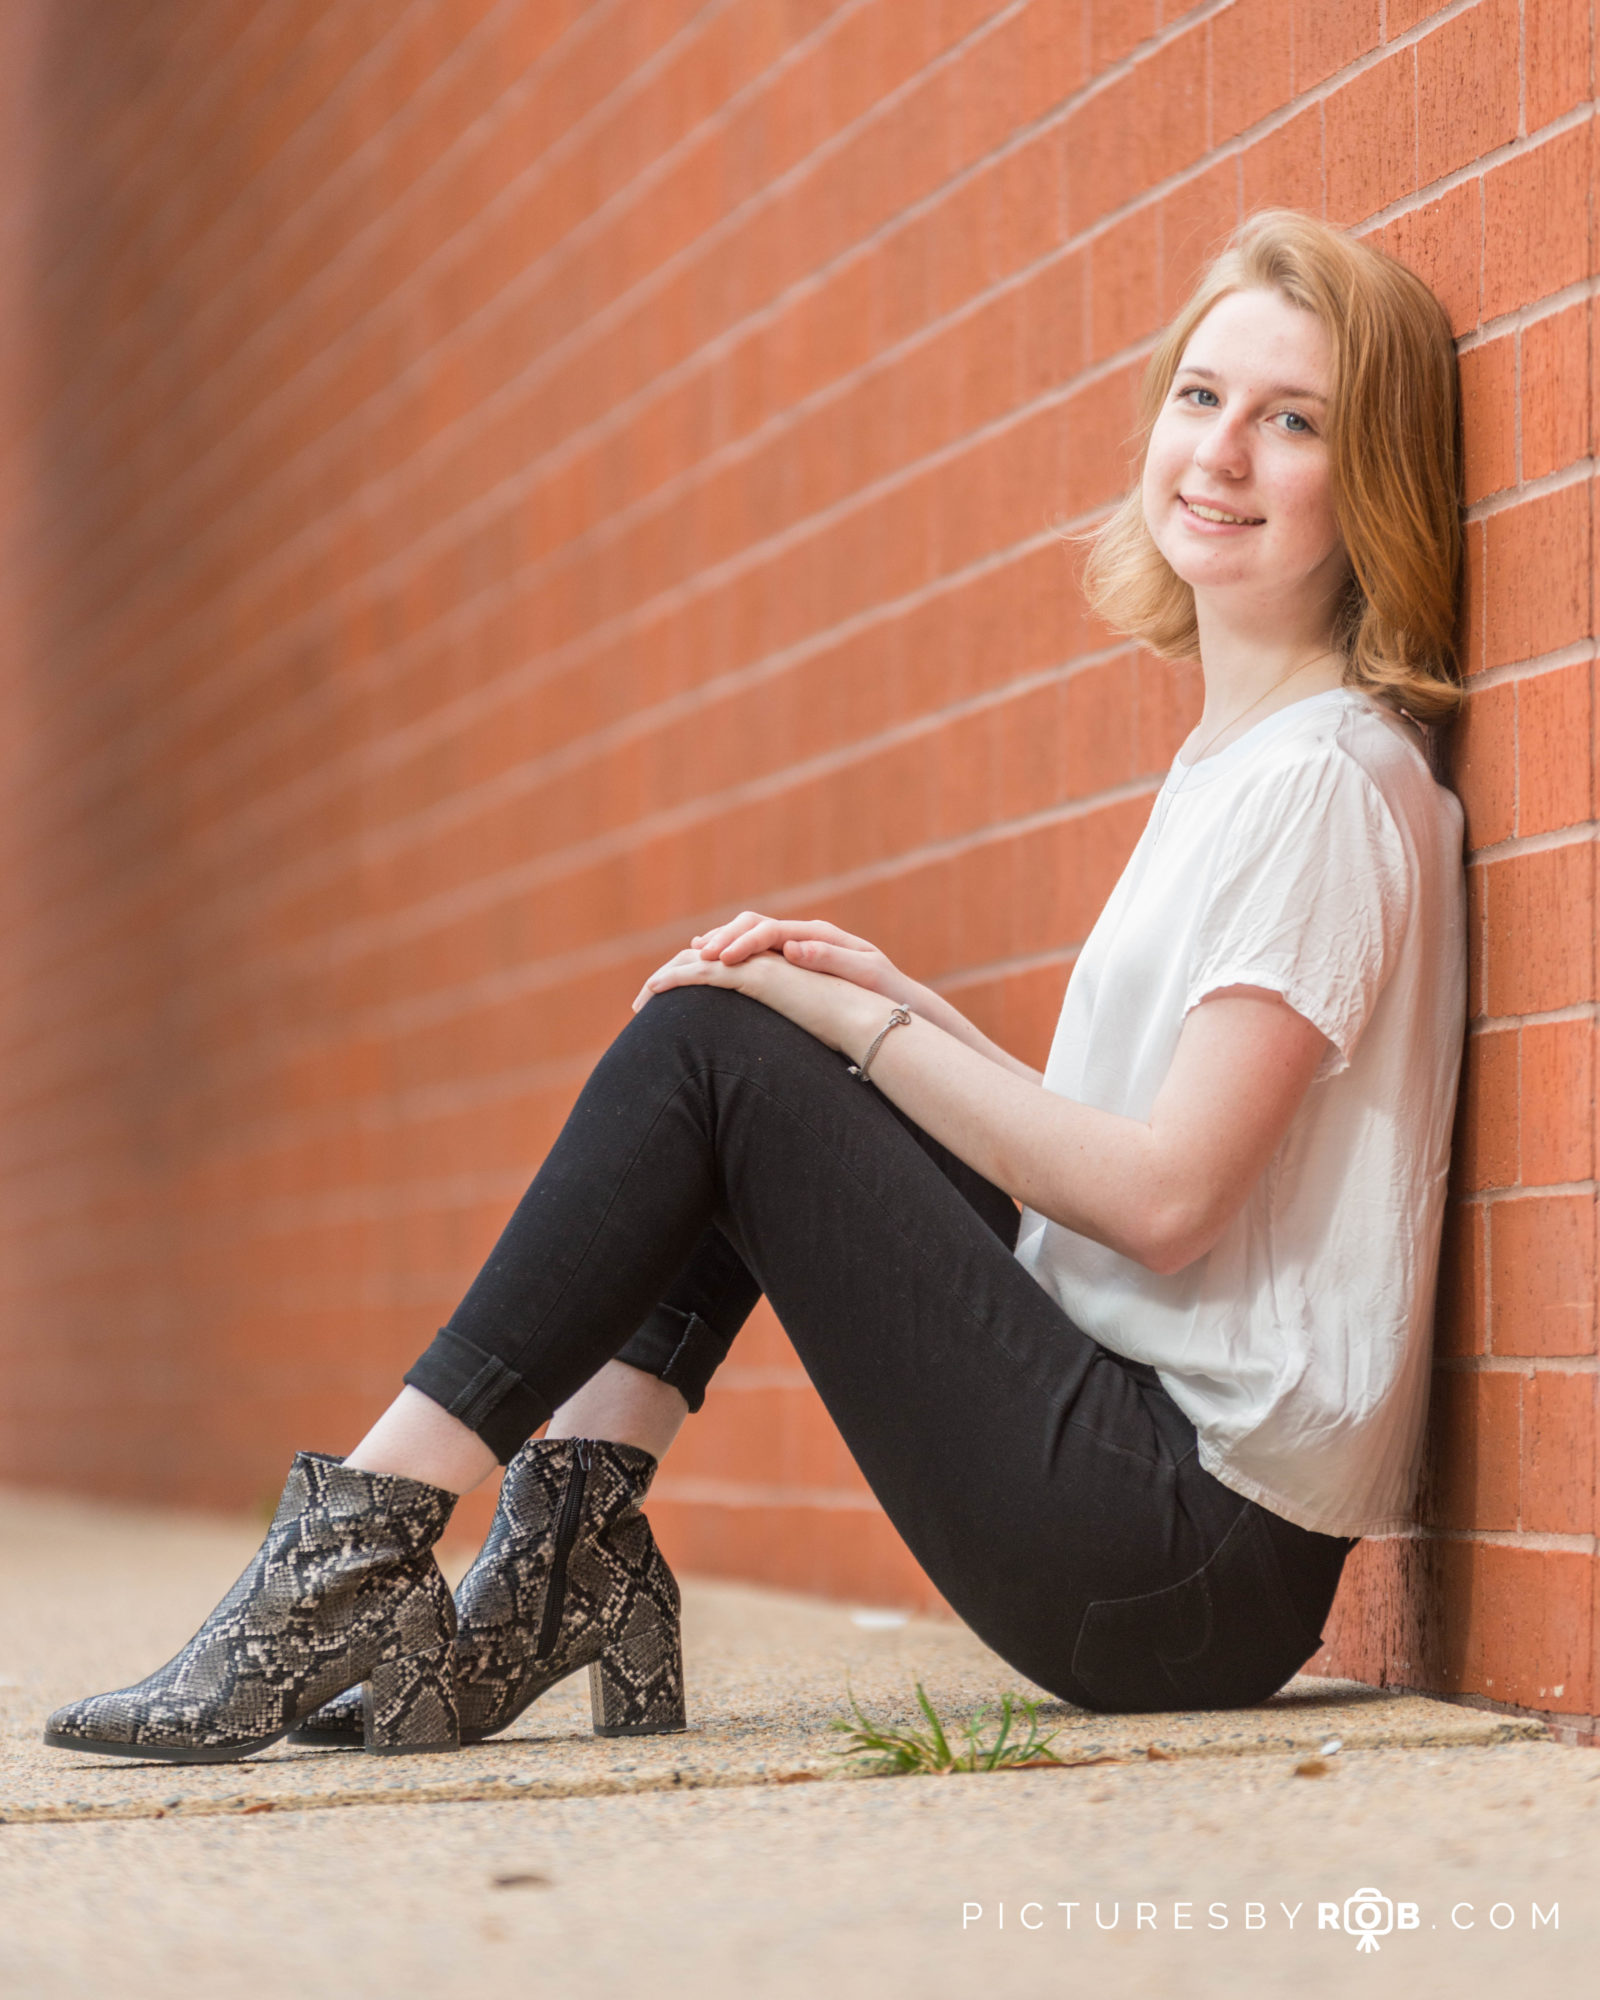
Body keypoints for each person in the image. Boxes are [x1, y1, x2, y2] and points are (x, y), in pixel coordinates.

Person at [45, 207, 1467, 1764]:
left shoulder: (1326, 783)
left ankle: (348, 1559)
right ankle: (558, 1555)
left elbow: (1173, 1202)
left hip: (1181, 1556)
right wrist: (888, 1003)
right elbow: (1139, 1185)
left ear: (1371, 476)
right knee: (749, 1029)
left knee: (727, 1050)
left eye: (1292, 421)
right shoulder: (1247, 764)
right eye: (1200, 398)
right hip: (1152, 1497)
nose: (1221, 453)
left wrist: (851, 1033)